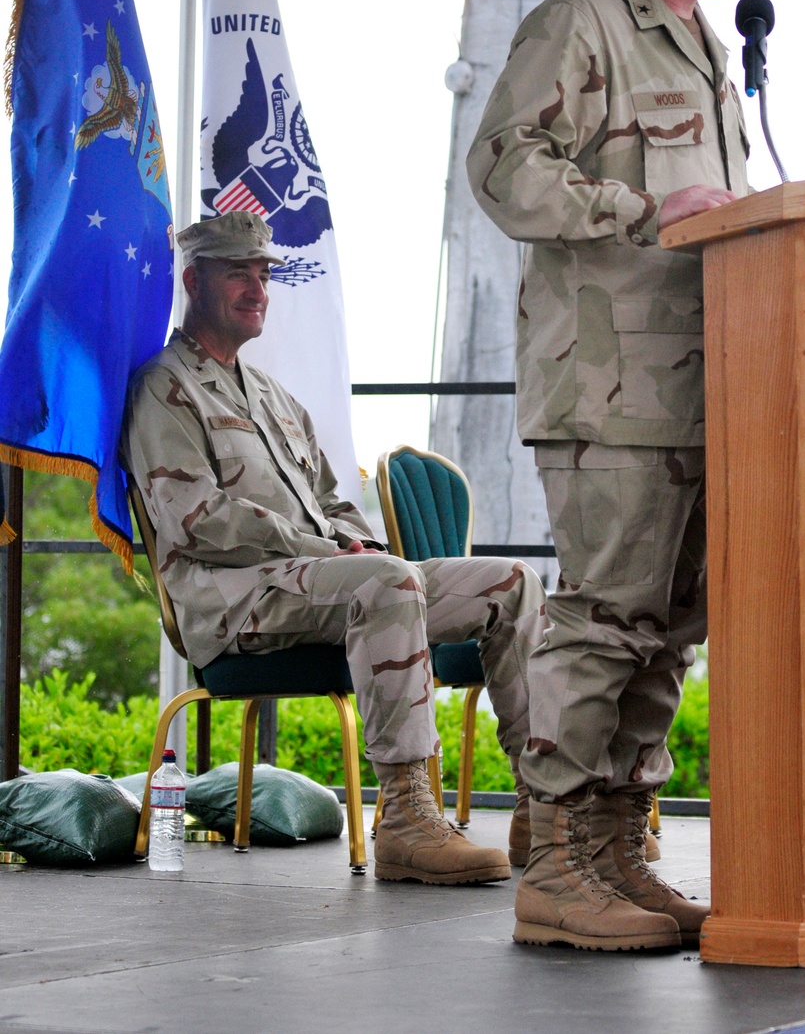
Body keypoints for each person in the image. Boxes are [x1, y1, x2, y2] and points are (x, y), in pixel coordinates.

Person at [467, 0, 791, 951]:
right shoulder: (579, 25)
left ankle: (615, 847)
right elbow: (503, 167)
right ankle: (553, 860)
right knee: (604, 619)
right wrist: (639, 211)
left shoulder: (704, 45)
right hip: (608, 387)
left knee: (663, 633)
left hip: (707, 386)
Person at [122, 210, 547, 886]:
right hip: (231, 600)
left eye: (263, 273)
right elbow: (193, 520)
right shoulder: (164, 388)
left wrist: (358, 542)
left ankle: (544, 806)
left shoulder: (273, 396)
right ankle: (407, 821)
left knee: (513, 581)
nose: (257, 288)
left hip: (317, 582)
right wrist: (329, 550)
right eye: (239, 273)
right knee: (384, 582)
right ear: (193, 281)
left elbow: (335, 496)